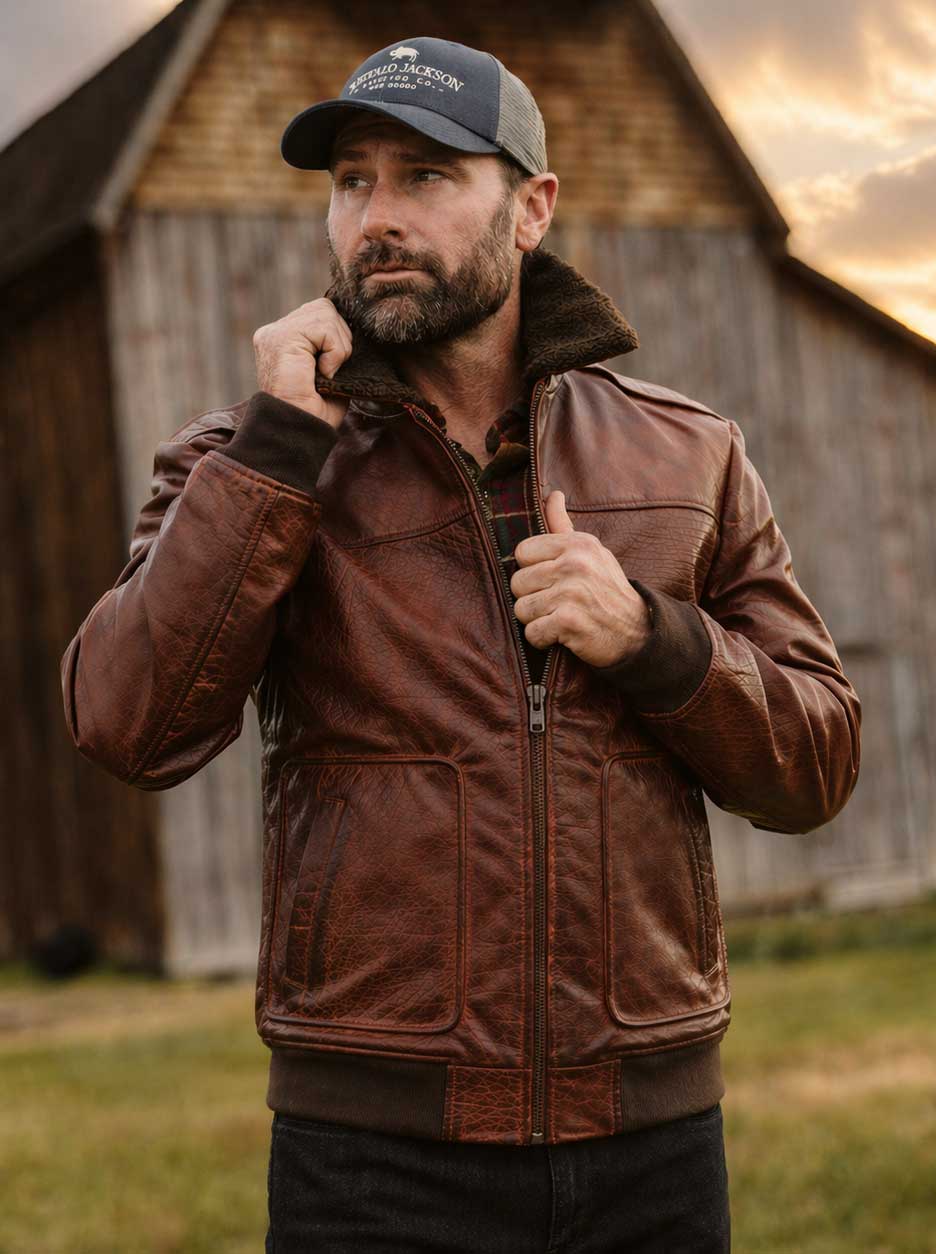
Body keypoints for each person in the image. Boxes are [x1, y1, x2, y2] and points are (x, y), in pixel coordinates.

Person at [60, 34, 862, 1253]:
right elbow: (127, 723)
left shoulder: (688, 453)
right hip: (372, 1161)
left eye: (426, 177)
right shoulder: (245, 456)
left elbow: (817, 762)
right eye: (352, 182)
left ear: (531, 208)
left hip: (650, 1142)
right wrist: (277, 454)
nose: (375, 217)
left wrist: (655, 639)